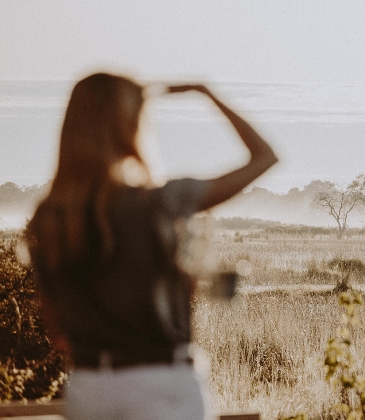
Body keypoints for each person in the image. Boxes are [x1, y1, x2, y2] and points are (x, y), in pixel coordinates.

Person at [25, 72, 278, 419]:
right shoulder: (159, 202)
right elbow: (264, 158)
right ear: (129, 127)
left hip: (90, 388)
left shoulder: (49, 218)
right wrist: (207, 93)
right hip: (162, 385)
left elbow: (58, 332)